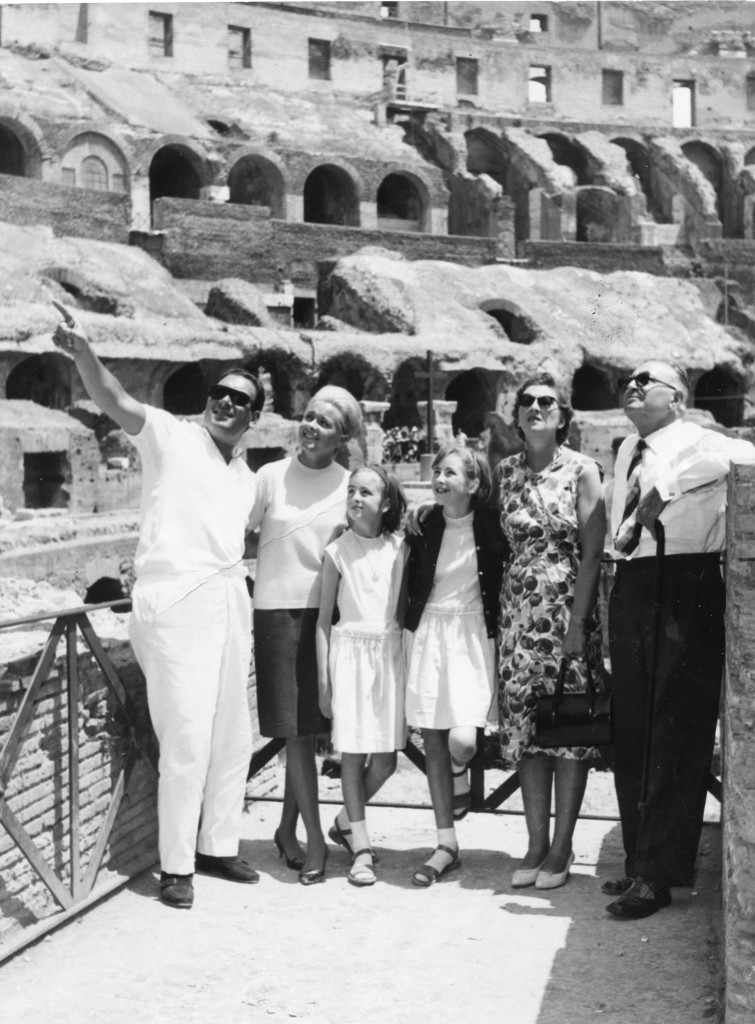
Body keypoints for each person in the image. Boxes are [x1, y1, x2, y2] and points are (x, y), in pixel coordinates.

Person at [51, 301, 265, 910]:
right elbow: (115, 398)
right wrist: (84, 351)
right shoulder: (172, 435)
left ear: (253, 417)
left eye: (239, 399)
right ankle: (177, 865)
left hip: (228, 599)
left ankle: (219, 843)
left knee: (233, 733)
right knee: (188, 735)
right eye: (220, 392)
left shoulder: (245, 473)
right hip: (173, 600)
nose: (225, 402)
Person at [605, 360, 755, 919]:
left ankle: (659, 874)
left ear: (679, 397)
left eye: (650, 380)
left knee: (677, 726)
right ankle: (639, 860)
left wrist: (665, 487)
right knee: (635, 726)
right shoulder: (625, 450)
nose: (635, 386)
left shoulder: (697, 438)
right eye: (630, 381)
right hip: (635, 583)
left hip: (687, 581)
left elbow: (744, 457)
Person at [496, 373, 606, 891]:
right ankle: (535, 842)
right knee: (527, 733)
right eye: (527, 402)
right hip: (518, 616)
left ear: (563, 417)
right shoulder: (506, 472)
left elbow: (591, 554)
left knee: (567, 730)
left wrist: (578, 626)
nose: (536, 408)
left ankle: (562, 847)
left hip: (566, 612)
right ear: (516, 417)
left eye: (547, 402)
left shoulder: (583, 471)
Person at [249, 385, 363, 885]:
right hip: (275, 610)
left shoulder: (348, 484)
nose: (311, 427)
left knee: (311, 728)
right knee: (295, 731)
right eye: (309, 416)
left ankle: (286, 827)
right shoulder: (270, 476)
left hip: (326, 616)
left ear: (342, 437)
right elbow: (239, 531)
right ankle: (315, 840)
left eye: (325, 422)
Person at [402, 445, 508, 886]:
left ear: (474, 484)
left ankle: (462, 773)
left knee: (462, 742)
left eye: (450, 473)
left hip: (470, 637)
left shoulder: (492, 525)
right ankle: (446, 843)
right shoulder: (424, 522)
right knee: (432, 738)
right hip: (429, 632)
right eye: (437, 472)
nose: (440, 479)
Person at [316, 465, 407, 887]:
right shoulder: (337, 552)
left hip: (387, 656)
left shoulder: (400, 548)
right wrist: (323, 680)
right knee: (352, 754)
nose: (355, 498)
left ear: (385, 503)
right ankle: (363, 847)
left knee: (386, 760)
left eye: (366, 492)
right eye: (351, 491)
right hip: (349, 654)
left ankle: (343, 821)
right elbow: (322, 622)